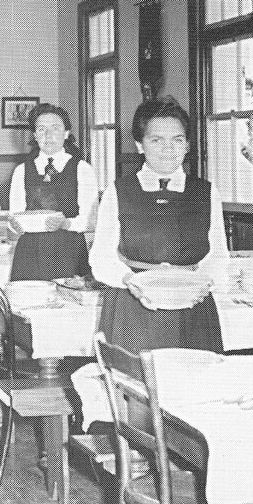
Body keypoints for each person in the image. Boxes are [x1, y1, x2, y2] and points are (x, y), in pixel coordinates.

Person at [90, 97, 228, 353]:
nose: (168, 149)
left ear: (187, 145)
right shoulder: (118, 191)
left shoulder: (206, 192)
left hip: (191, 307)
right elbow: (101, 256)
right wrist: (131, 282)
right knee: (136, 385)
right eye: (156, 140)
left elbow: (218, 254)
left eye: (177, 140)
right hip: (134, 307)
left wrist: (204, 284)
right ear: (139, 145)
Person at [8, 104, 96, 281]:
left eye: (55, 128)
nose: (48, 135)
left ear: (66, 133)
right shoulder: (21, 171)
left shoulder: (82, 169)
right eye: (41, 129)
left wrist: (65, 224)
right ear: (34, 135)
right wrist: (15, 226)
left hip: (69, 252)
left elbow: (91, 222)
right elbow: (13, 218)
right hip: (29, 253)